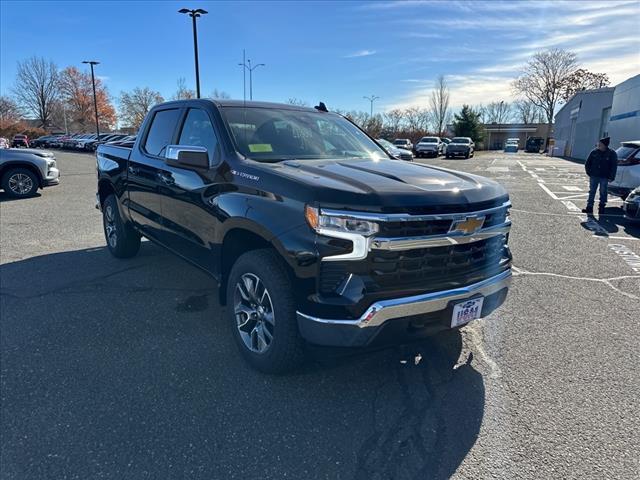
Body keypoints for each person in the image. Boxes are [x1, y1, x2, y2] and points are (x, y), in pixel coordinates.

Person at [582, 137, 617, 215]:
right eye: (598, 144)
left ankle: (601, 207)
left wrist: (612, 177)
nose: (598, 145)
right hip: (594, 176)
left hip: (604, 177)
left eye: (600, 144)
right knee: (592, 192)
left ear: (605, 145)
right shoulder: (594, 152)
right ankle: (589, 207)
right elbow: (588, 163)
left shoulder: (611, 153)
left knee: (603, 192)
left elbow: (614, 166)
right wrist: (589, 172)